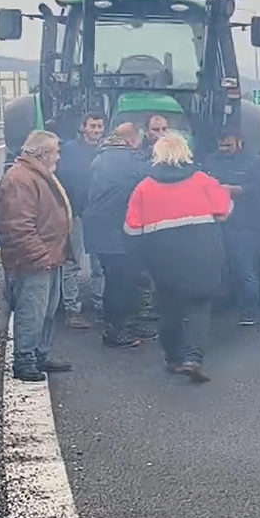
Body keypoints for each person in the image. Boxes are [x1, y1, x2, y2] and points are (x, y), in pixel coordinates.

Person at [124, 133, 233, 381]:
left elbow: (131, 228)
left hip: (162, 258)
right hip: (202, 254)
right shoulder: (203, 181)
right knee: (199, 306)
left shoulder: (144, 187)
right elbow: (225, 211)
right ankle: (193, 358)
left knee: (169, 307)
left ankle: (172, 357)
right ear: (186, 152)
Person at [0, 130, 74, 382]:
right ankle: (24, 359)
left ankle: (39, 353)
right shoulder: (20, 180)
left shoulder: (36, 175)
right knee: (31, 311)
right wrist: (41, 256)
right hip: (33, 260)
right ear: (44, 153)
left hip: (49, 256)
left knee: (46, 311)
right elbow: (18, 225)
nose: (58, 157)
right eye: (56, 152)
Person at [84, 123, 151, 349]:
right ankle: (117, 330)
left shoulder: (100, 157)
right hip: (118, 230)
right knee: (121, 282)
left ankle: (121, 324)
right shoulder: (131, 161)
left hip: (99, 229)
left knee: (115, 279)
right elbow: (150, 182)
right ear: (133, 140)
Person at [202, 129, 260, 326]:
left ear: (239, 141)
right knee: (215, 268)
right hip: (216, 223)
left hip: (247, 224)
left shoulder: (255, 162)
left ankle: (248, 311)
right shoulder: (210, 161)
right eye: (221, 145)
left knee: (245, 269)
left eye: (228, 145)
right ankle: (216, 306)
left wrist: (234, 190)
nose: (223, 149)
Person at [57, 109, 106, 329]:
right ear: (83, 127)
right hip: (75, 213)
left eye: (99, 126)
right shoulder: (69, 150)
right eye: (92, 126)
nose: (95, 130)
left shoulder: (107, 151)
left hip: (99, 216)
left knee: (100, 263)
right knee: (72, 263)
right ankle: (72, 308)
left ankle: (100, 303)